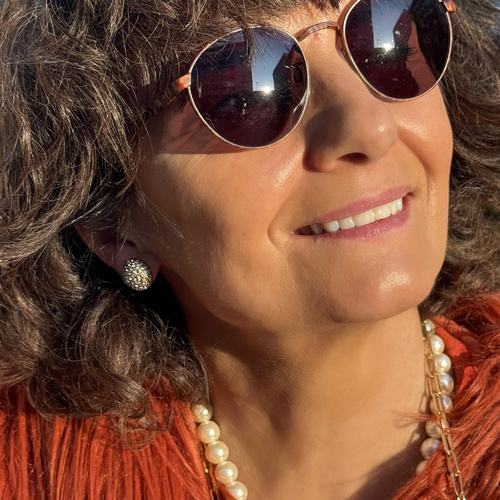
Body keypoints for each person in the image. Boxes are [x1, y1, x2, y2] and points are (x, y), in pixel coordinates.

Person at [0, 0, 499, 498]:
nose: (370, 127)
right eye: (245, 90)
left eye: (387, 38)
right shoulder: (28, 473)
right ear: (112, 226)